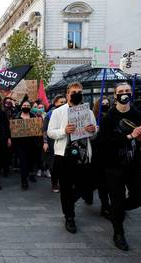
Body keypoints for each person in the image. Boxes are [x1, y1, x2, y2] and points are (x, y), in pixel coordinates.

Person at [100, 82, 141, 251]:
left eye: (127, 91)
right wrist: (129, 136)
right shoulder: (109, 118)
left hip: (133, 165)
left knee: (139, 196)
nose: (124, 93)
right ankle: (118, 233)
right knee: (117, 198)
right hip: (114, 167)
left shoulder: (138, 115)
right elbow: (105, 143)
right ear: (115, 95)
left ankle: (116, 210)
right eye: (121, 91)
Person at [47, 82, 97, 234]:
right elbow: (50, 132)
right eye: (74, 92)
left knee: (86, 185)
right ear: (68, 94)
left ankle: (69, 201)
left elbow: (94, 133)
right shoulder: (58, 112)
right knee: (66, 188)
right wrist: (64, 131)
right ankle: (69, 217)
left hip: (82, 156)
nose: (76, 94)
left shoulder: (88, 112)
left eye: (79, 92)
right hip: (65, 156)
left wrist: (92, 130)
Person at [90, 97, 111, 218]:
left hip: (109, 153)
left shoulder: (111, 116)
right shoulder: (93, 116)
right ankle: (104, 204)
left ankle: (106, 205)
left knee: (106, 182)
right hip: (97, 153)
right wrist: (94, 131)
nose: (105, 105)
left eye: (107, 103)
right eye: (103, 104)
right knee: (99, 180)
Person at [43, 94, 67, 193]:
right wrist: (45, 142)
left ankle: (63, 183)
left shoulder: (68, 112)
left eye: (64, 102)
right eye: (61, 102)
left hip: (63, 140)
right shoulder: (49, 114)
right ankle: (54, 183)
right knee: (54, 164)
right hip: (52, 141)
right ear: (55, 103)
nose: (63, 104)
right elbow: (45, 130)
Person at [12, 101, 38, 190]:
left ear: (30, 107)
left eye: (27, 105)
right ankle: (24, 180)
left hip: (32, 143)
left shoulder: (34, 116)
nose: (26, 106)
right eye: (24, 105)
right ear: (21, 106)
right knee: (23, 162)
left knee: (31, 161)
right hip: (20, 144)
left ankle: (31, 174)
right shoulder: (16, 117)